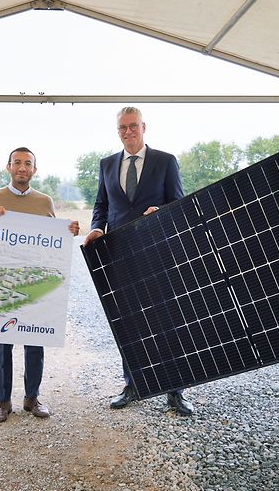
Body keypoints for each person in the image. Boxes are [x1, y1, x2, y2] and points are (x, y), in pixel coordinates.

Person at [82, 106, 193, 416]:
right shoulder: (106, 164)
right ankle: (132, 386)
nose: (127, 132)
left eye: (132, 126)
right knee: (128, 324)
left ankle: (176, 391)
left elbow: (178, 203)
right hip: (120, 255)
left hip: (157, 254)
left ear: (144, 127)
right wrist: (96, 229)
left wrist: (163, 213)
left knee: (168, 321)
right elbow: (101, 205)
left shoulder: (166, 161)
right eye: (122, 128)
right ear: (117, 131)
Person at [0, 147, 80, 423]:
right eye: (17, 163)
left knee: (36, 341)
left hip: (35, 283)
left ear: (35, 169)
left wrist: (68, 231)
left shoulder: (45, 202)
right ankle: (3, 401)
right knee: (3, 343)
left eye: (27, 163)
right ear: (8, 167)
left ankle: (32, 398)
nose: (22, 167)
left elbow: (54, 238)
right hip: (1, 283)